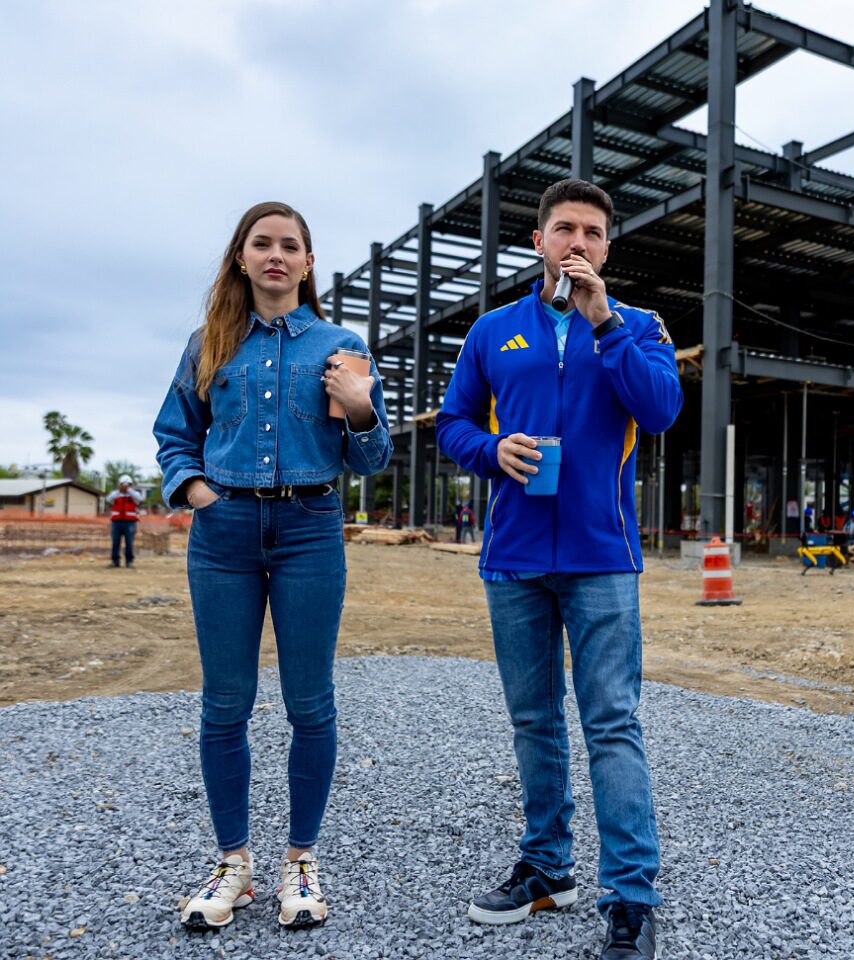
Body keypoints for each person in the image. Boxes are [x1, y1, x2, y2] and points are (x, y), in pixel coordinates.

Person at [438, 178, 680, 960]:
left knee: (611, 723)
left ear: (608, 247)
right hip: (513, 558)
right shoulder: (493, 331)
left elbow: (661, 410)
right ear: (539, 240)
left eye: (593, 232)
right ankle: (546, 868)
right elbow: (451, 423)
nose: (579, 242)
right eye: (566, 229)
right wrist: (491, 450)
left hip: (601, 557)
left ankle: (631, 898)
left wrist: (604, 321)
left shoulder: (639, 326)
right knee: (534, 720)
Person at [153, 201, 391, 932]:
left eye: (291, 245)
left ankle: (300, 861)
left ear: (309, 262)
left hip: (310, 530)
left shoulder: (341, 346)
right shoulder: (209, 344)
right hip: (222, 535)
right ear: (242, 257)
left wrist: (360, 408)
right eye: (263, 244)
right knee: (224, 704)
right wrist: (196, 491)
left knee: (309, 705)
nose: (277, 255)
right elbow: (174, 435)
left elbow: (371, 458)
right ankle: (233, 863)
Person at [105, 474, 143, 568]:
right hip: (116, 522)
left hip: (130, 522)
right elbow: (108, 499)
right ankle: (115, 561)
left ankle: (129, 561)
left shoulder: (134, 495)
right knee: (115, 542)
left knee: (129, 542)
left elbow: (139, 499)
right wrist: (119, 490)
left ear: (131, 485)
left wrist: (129, 490)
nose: (125, 486)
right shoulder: (115, 494)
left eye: (128, 484)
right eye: (123, 484)